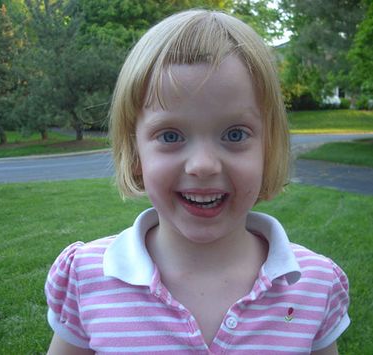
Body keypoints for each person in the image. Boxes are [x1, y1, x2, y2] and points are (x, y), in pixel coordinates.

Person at [45, 9, 350, 354]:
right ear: (135, 153)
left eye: (235, 133)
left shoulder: (313, 285)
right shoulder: (88, 277)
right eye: (170, 135)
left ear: (270, 147)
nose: (203, 165)